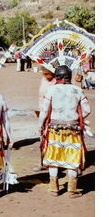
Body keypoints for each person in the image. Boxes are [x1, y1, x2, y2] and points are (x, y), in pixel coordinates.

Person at [39, 65, 91, 198]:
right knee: (72, 158)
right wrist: (77, 119)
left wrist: (41, 126)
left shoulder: (51, 90)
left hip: (54, 129)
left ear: (58, 77)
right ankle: (72, 191)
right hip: (73, 130)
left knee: (53, 158)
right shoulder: (78, 90)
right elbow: (87, 110)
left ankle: (54, 189)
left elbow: (44, 111)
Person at [33, 70, 56, 172]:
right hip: (43, 113)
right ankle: (43, 164)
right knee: (43, 138)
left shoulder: (58, 81)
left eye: (47, 73)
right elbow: (40, 97)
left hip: (55, 114)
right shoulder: (44, 80)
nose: (46, 76)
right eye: (44, 74)